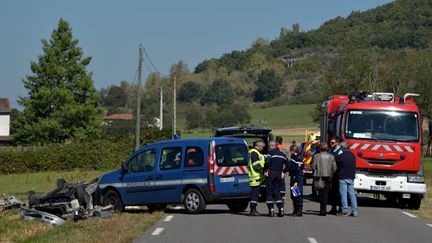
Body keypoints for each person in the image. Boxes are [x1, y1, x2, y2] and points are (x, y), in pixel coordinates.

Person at [311, 143, 337, 216]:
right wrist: (331, 173)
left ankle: (322, 210)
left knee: (321, 194)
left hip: (319, 176)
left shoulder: (316, 156)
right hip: (328, 176)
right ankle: (324, 210)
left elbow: (313, 166)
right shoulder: (331, 156)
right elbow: (334, 168)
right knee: (326, 194)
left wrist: (315, 172)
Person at [264, 141, 287, 217]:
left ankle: (271, 210)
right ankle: (281, 209)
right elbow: (288, 164)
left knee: (269, 191)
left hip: (271, 172)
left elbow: (267, 162)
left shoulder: (270, 154)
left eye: (269, 145)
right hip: (279, 173)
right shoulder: (282, 154)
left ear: (271, 146)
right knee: (277, 192)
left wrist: (265, 170)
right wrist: (284, 171)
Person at [336, 142, 358, 217]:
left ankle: (344, 210)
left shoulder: (341, 156)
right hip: (351, 177)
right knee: (352, 195)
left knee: (343, 195)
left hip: (343, 177)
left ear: (342, 147)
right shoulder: (353, 155)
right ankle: (354, 211)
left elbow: (336, 163)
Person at [247, 140, 266, 216]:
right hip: (256, 177)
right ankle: (253, 210)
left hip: (255, 177)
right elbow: (256, 166)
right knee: (255, 195)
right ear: (258, 146)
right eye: (262, 146)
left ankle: (253, 209)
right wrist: (263, 170)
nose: (263, 148)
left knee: (255, 194)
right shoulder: (254, 153)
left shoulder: (252, 152)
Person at [288, 144, 304, 217]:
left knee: (297, 196)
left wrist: (296, 181)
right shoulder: (293, 157)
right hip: (293, 178)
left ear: (293, 151)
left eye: (290, 151)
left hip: (297, 178)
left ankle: (299, 211)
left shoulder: (298, 159)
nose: (290, 152)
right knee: (293, 195)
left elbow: (298, 171)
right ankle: (295, 210)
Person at [328, 138, 342, 214]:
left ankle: (340, 208)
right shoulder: (331, 150)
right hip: (332, 174)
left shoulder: (340, 151)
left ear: (337, 143)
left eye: (333, 142)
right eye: (330, 142)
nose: (331, 144)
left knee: (338, 192)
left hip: (337, 174)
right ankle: (333, 208)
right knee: (332, 192)